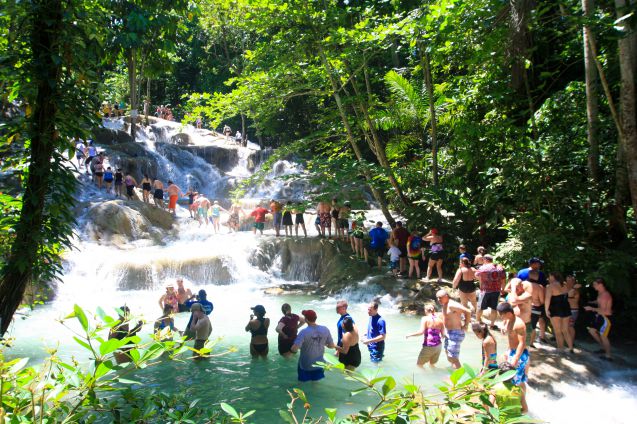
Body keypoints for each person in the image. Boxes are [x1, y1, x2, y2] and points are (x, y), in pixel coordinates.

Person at [497, 302, 530, 413]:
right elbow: (506, 324)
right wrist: (503, 325)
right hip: (512, 351)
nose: (500, 316)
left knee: (517, 381)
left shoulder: (519, 324)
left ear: (508, 313)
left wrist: (515, 359)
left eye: (501, 314)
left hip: (519, 354)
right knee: (516, 380)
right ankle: (518, 400)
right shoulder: (509, 319)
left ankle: (521, 404)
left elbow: (522, 343)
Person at [291, 310, 336, 382]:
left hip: (305, 365)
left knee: (303, 384)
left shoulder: (303, 332)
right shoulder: (325, 329)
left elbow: (294, 349)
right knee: (316, 383)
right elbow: (331, 346)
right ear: (316, 318)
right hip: (320, 363)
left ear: (306, 320)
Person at [436, 289, 471, 369]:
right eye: (437, 298)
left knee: (454, 358)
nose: (438, 300)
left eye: (440, 297)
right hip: (448, 333)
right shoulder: (445, 304)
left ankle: (459, 377)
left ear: (446, 296)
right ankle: (453, 370)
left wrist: (466, 325)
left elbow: (468, 311)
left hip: (456, 333)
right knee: (448, 353)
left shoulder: (452, 305)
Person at [406, 304, 444, 368]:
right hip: (438, 346)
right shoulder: (440, 320)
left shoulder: (425, 319)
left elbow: (421, 332)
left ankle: (425, 377)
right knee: (432, 364)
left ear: (425, 310)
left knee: (419, 365)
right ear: (434, 310)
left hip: (429, 346)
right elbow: (443, 335)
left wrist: (410, 335)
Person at [584, 277, 613, 360]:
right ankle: (603, 348)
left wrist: (591, 308)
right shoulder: (601, 293)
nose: (593, 286)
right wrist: (592, 302)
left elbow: (604, 310)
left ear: (600, 284)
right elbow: (599, 301)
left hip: (606, 318)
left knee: (604, 336)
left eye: (594, 284)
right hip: (600, 316)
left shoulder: (605, 295)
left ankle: (608, 356)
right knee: (591, 330)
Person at [545, 272, 574, 352]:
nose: (549, 278)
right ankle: (571, 348)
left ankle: (560, 348)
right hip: (566, 308)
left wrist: (546, 310)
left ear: (553, 277)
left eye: (550, 276)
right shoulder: (564, 284)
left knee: (557, 331)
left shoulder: (550, 286)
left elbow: (547, 299)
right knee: (565, 330)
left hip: (555, 309)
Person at [475, 254, 505, 329]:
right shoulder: (500, 268)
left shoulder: (483, 267)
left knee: (480, 307)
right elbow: (503, 279)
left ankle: (478, 322)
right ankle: (492, 325)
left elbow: (476, 275)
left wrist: (482, 280)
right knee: (494, 308)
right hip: (496, 291)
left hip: (485, 290)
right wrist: (502, 289)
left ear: (485, 260)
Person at [508, 277, 533, 346]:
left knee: (524, 348)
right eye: (514, 287)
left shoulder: (527, 295)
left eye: (517, 287)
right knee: (511, 347)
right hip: (513, 324)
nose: (515, 289)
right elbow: (509, 309)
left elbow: (514, 301)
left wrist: (513, 287)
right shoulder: (513, 295)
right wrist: (505, 323)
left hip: (524, 325)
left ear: (522, 286)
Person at [566, 275, 581, 346]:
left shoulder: (574, 290)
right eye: (567, 281)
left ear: (574, 282)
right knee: (567, 326)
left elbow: (569, 298)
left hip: (573, 310)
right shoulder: (567, 289)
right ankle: (568, 342)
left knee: (570, 327)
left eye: (571, 281)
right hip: (568, 310)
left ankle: (571, 343)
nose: (569, 282)